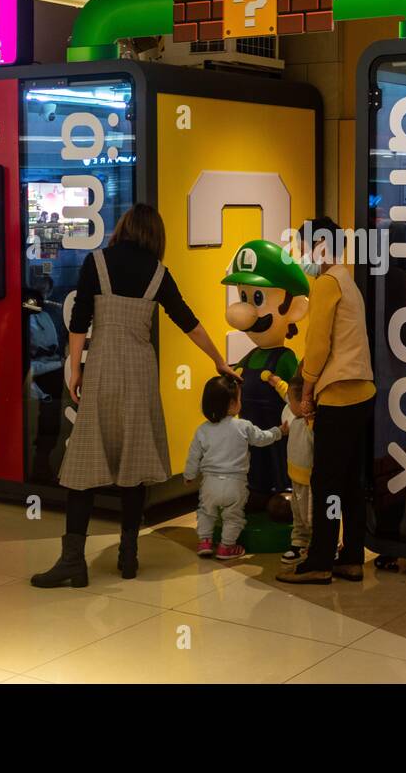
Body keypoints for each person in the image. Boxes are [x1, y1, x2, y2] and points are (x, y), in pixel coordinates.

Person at [31, 203, 239, 588]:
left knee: (83, 468)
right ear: (156, 236)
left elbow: (79, 322)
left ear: (124, 227)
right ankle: (129, 555)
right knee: (133, 464)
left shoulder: (97, 262)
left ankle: (73, 560)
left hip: (104, 369)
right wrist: (218, 360)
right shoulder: (158, 273)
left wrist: (75, 369)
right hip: (140, 373)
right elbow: (187, 319)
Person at [277, 217, 375, 585]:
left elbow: (318, 345)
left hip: (338, 394)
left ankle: (318, 561)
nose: (303, 256)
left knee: (326, 480)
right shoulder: (347, 280)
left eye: (304, 247)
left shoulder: (326, 283)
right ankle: (351, 556)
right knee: (350, 480)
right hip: (361, 392)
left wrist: (307, 388)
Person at [185, 375, 286, 561]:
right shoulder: (243, 426)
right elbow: (262, 438)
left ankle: (205, 542)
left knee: (206, 512)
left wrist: (189, 475)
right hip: (235, 484)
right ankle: (226, 547)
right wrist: (279, 431)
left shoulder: (203, 430)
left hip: (209, 484)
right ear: (232, 404)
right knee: (233, 517)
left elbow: (194, 455)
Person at [279, 372, 314, 565]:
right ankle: (298, 542)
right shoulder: (294, 419)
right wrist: (277, 381)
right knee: (298, 515)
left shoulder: (311, 424)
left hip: (310, 480)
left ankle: (324, 544)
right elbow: (285, 392)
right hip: (295, 477)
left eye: (291, 401)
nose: (288, 405)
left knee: (312, 516)